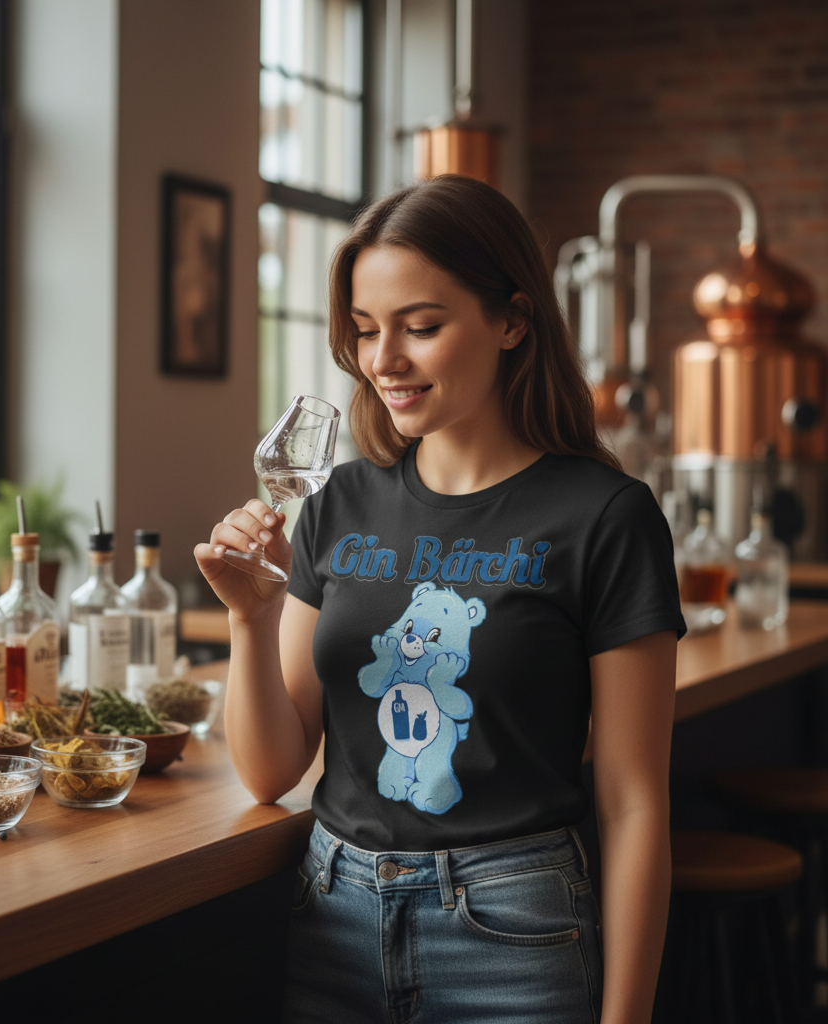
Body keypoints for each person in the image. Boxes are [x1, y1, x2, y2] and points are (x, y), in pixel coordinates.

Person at [195, 175, 685, 1024]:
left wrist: (627, 1018)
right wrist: (251, 615)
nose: (385, 360)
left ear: (512, 321)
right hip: (333, 914)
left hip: (515, 928)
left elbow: (635, 801)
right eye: (365, 331)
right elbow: (273, 768)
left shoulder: (606, 517)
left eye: (421, 327)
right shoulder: (336, 506)